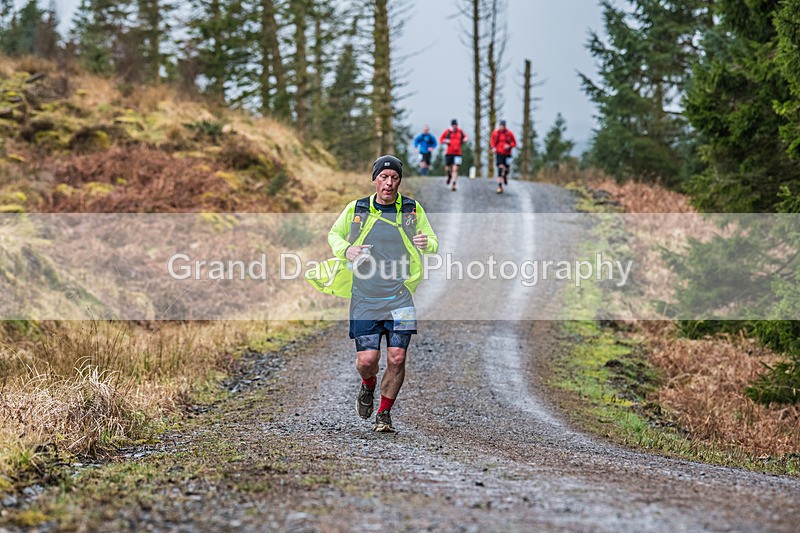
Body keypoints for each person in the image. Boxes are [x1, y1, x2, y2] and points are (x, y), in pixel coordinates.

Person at [306, 155, 439, 432]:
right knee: (367, 361)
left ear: (399, 181)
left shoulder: (412, 209)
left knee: (397, 357)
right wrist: (347, 250)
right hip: (365, 297)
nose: (389, 183)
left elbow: (433, 242)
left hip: (400, 297)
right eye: (384, 177)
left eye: (394, 178)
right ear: (375, 179)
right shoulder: (358, 209)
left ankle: (384, 414)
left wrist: (426, 243)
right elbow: (334, 235)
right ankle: (368, 384)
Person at [439, 119, 467, 191]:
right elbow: (441, 139)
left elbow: (465, 137)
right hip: (449, 153)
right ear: (451, 125)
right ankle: (449, 176)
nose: (454, 126)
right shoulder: (448, 131)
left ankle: (454, 184)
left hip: (458, 153)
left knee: (455, 169)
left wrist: (465, 139)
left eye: (455, 125)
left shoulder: (460, 131)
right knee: (447, 168)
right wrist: (445, 141)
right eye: (453, 125)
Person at [490, 119, 517, 194]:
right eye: (500, 126)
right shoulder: (496, 133)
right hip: (499, 153)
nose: (501, 127)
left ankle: (505, 176)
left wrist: (509, 146)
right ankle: (499, 186)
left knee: (506, 169)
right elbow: (492, 142)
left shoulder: (509, 133)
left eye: (503, 126)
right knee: (500, 168)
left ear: (505, 126)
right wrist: (493, 148)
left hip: (507, 154)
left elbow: (514, 143)